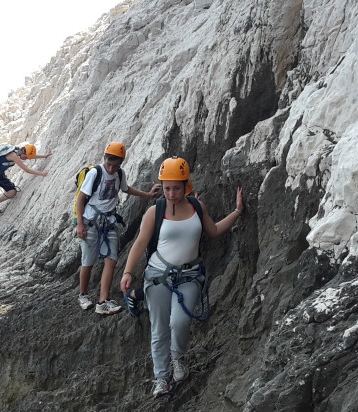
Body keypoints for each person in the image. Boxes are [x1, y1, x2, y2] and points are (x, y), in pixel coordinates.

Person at [120, 157, 244, 397]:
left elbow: (214, 231)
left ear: (186, 184)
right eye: (167, 187)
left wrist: (237, 211)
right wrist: (128, 272)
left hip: (189, 275)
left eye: (176, 187)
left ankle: (179, 358)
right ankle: (161, 378)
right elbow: (139, 244)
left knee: (180, 321)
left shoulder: (197, 207)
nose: (171, 193)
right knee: (159, 328)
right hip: (158, 275)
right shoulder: (154, 212)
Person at [76, 141, 161, 315]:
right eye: (109, 164)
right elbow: (81, 198)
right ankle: (83, 295)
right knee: (88, 261)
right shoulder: (95, 173)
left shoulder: (119, 174)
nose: (112, 169)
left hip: (109, 222)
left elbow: (126, 189)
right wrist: (80, 224)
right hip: (91, 221)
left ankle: (103, 301)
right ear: (104, 158)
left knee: (111, 259)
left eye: (116, 165)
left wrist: (147, 195)